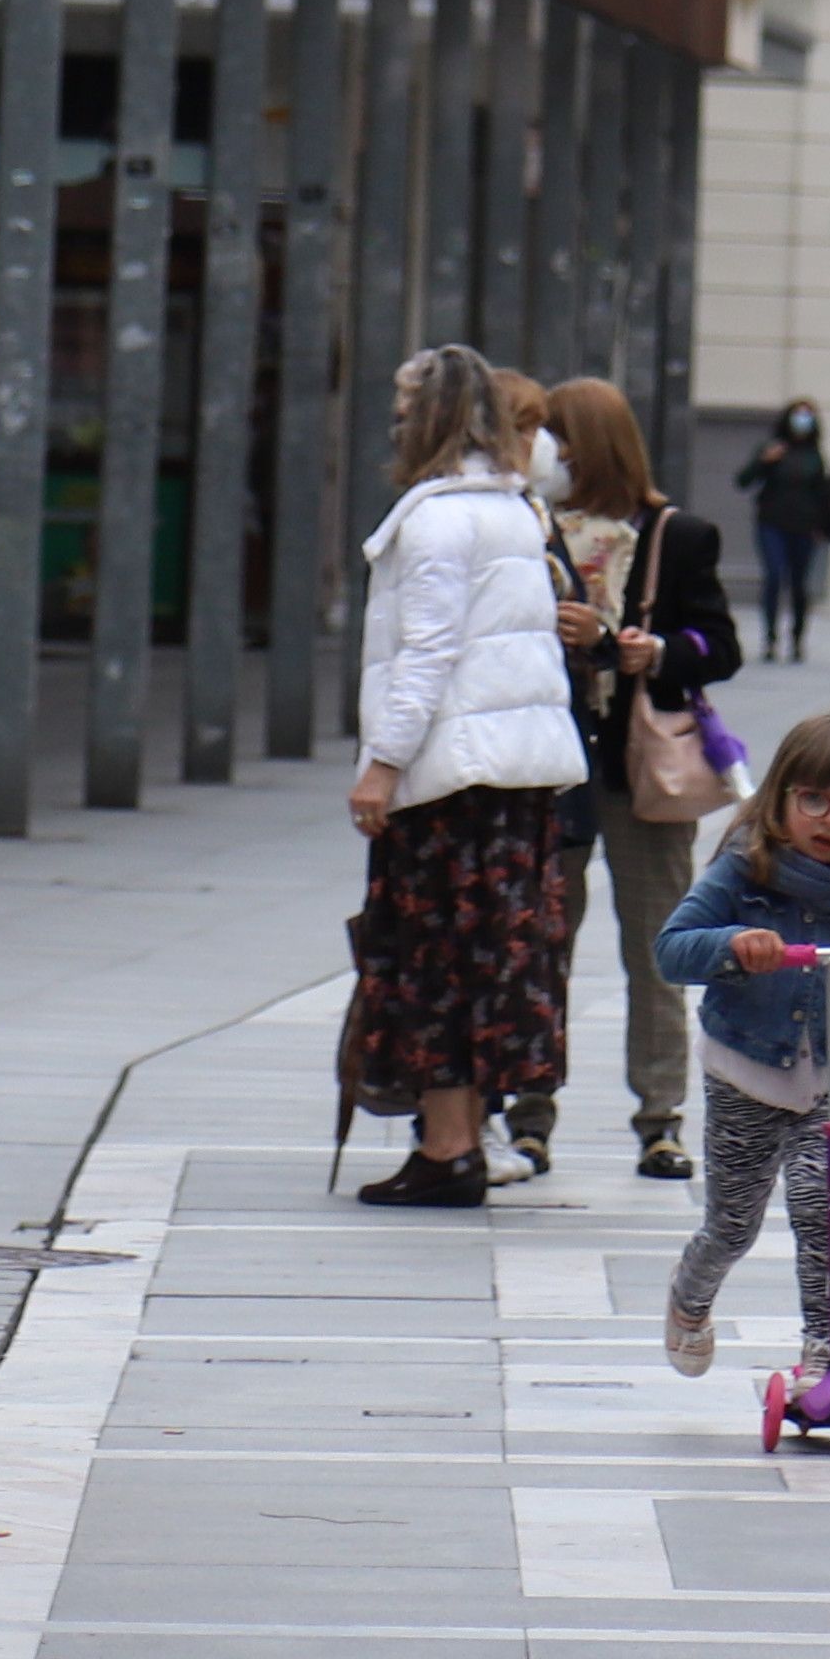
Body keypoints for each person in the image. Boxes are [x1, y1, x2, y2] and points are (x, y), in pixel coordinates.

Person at [339, 345, 585, 1210]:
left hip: (451, 778)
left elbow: (427, 655)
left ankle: (446, 1148)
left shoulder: (437, 521)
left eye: (408, 405)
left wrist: (382, 765)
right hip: (514, 776)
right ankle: (468, 1135)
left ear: (435, 415)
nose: (397, 420)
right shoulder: (513, 512)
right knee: (492, 960)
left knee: (430, 957)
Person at [520, 376, 742, 1185]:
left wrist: (641, 648)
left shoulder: (674, 535)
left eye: (559, 439)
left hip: (640, 769)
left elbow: (718, 645)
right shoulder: (528, 528)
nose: (547, 455)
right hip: (549, 768)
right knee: (543, 947)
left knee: (657, 952)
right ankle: (529, 1117)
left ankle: (660, 1121)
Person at [656, 707, 830, 1371]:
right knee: (735, 1222)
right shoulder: (746, 868)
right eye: (814, 801)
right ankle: (690, 1297)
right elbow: (671, 952)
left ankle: (823, 1353)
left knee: (818, 1210)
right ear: (781, 798)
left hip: (829, 1071)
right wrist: (733, 946)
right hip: (746, 1069)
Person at [739, 400, 830, 661]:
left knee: (798, 583)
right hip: (772, 523)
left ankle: (796, 637)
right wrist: (764, 462)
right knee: (773, 575)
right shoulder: (772, 449)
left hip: (804, 526)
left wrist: (823, 526)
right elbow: (743, 480)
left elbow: (822, 494)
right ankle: (770, 636)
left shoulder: (814, 455)